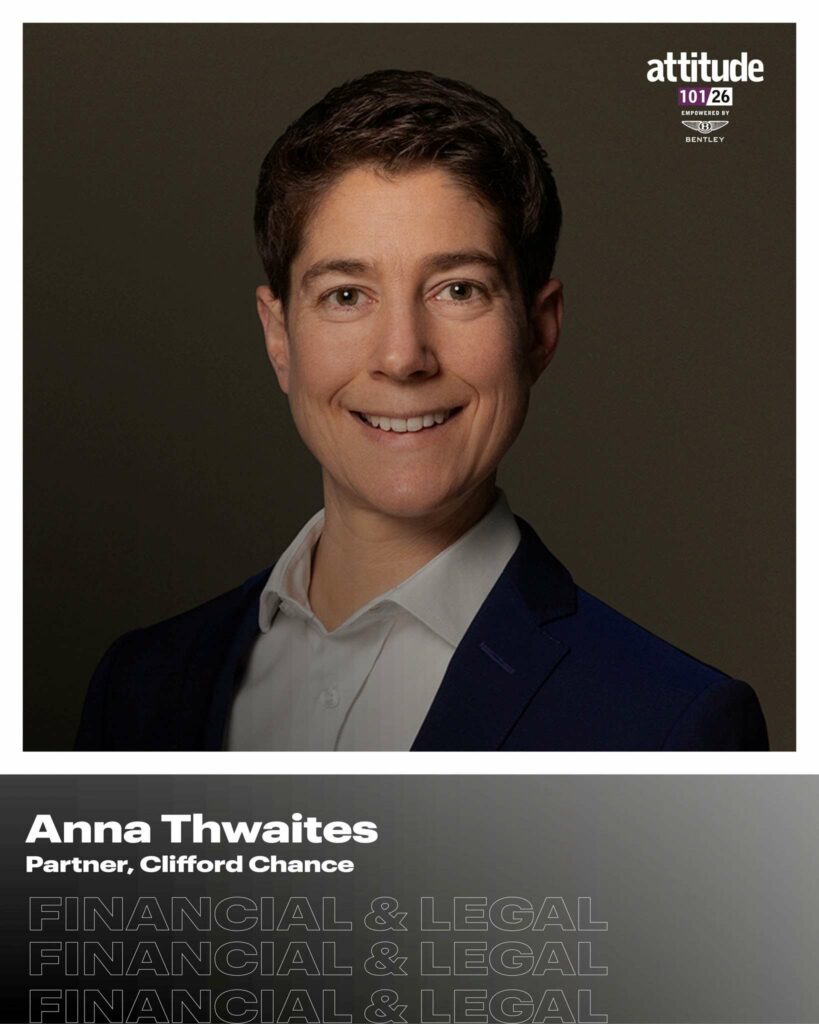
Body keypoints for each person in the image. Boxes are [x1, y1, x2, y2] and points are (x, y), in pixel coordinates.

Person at [76, 69, 768, 752]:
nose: (403, 356)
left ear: (540, 329)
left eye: (458, 290)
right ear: (278, 336)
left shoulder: (669, 725)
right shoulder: (140, 685)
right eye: (346, 295)